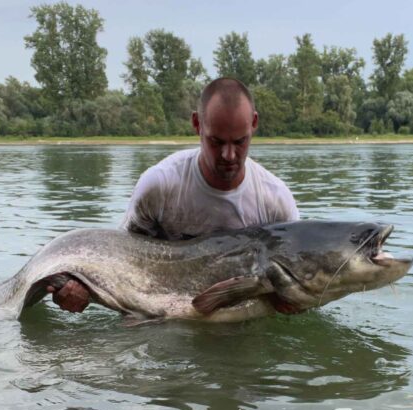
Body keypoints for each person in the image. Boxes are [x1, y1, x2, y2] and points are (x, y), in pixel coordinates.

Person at [47, 77, 300, 314]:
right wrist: (82, 288)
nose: (229, 156)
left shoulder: (276, 202)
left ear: (254, 123)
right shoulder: (159, 185)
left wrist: (298, 300)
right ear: (197, 124)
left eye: (240, 142)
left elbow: (298, 279)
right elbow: (121, 260)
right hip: (159, 318)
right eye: (216, 142)